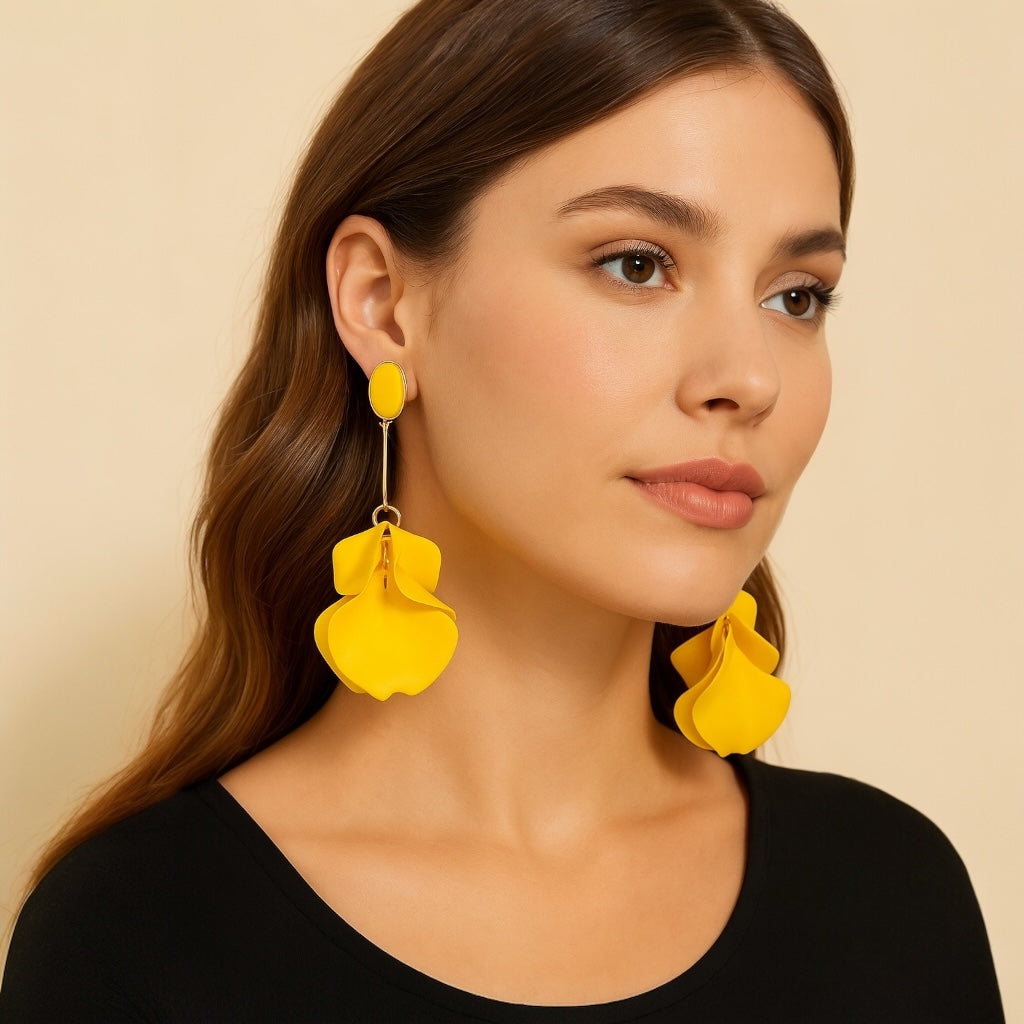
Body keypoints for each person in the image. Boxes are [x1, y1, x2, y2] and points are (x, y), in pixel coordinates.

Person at [0, 0, 1004, 1019]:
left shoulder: (891, 900)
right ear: (385, 303)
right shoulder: (139, 939)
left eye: (796, 294)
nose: (748, 378)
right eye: (636, 263)